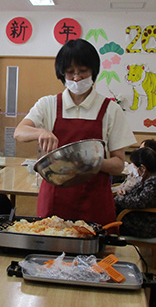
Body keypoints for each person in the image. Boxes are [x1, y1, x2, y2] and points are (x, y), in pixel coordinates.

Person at [14, 38, 136, 225]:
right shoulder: (49, 104)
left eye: (83, 71)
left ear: (93, 72)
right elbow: (20, 132)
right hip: (55, 198)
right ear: (62, 75)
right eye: (70, 73)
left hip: (94, 200)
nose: (77, 78)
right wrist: (40, 133)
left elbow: (119, 164)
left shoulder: (111, 110)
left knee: (98, 251)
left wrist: (89, 163)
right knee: (50, 247)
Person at [114, 146, 156, 238]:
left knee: (106, 220)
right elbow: (140, 196)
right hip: (143, 218)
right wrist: (125, 194)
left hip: (147, 225)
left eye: (135, 167)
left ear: (143, 168)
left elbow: (139, 202)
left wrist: (118, 199)